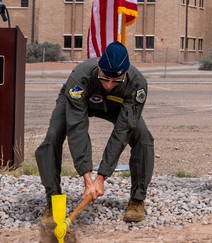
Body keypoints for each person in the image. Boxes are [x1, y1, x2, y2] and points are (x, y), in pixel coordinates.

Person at [34, 41, 154, 223]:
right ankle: (52, 199)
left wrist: (102, 176)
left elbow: (123, 131)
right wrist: (87, 179)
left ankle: (137, 199)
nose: (109, 85)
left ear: (126, 73)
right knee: (53, 136)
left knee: (143, 137)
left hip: (116, 106)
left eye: (116, 80)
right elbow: (77, 129)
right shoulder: (80, 78)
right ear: (99, 66)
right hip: (79, 102)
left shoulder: (137, 85)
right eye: (105, 78)